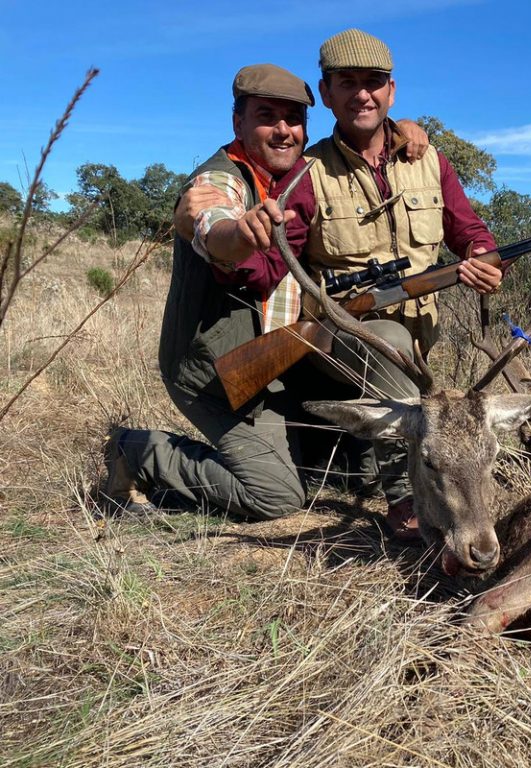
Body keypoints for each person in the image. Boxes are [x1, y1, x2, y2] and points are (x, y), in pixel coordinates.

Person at [100, 63, 431, 522]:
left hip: (283, 363)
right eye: (266, 116)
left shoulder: (304, 173)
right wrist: (240, 235)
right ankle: (135, 450)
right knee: (276, 496)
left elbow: (366, 136)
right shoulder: (220, 179)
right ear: (238, 122)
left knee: (359, 468)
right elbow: (212, 224)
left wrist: (405, 129)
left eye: (293, 119)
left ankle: (391, 484)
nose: (283, 130)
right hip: (219, 375)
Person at [230, 29, 503, 539]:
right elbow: (268, 263)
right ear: (327, 92)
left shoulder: (429, 160)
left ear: (391, 92)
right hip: (335, 336)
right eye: (346, 83)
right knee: (391, 343)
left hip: (412, 354)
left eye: (373, 83)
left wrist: (482, 259)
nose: (362, 94)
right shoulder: (306, 173)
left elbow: (469, 231)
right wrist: (233, 246)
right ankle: (406, 498)